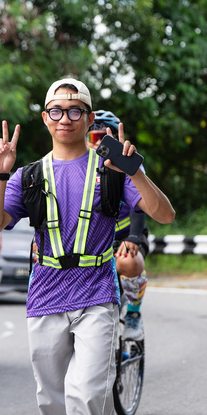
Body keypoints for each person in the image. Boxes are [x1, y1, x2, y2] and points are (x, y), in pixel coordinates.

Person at [0, 77, 175, 415]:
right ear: (45, 118)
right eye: (56, 110)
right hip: (46, 297)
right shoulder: (29, 175)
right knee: (51, 402)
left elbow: (164, 213)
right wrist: (0, 173)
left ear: (88, 119)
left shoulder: (110, 171)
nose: (65, 118)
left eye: (74, 110)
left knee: (87, 395)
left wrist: (135, 170)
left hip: (97, 296)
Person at [88, 110, 149, 342]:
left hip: (125, 234)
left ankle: (133, 314)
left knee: (129, 260)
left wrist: (133, 237)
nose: (98, 144)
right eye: (93, 137)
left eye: (105, 138)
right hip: (92, 239)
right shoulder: (78, 163)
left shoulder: (126, 162)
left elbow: (139, 206)